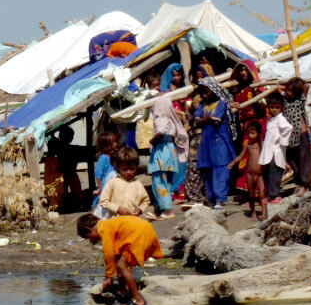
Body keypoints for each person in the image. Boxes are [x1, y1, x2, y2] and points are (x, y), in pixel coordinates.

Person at [77, 213, 163, 305]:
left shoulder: (104, 229)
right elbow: (116, 254)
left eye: (89, 238)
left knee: (121, 265)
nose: (91, 241)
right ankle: (122, 290)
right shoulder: (109, 224)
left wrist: (109, 276)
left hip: (138, 233)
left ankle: (138, 300)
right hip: (145, 229)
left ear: (89, 230)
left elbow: (109, 254)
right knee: (122, 263)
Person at [149, 68, 189, 219]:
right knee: (164, 180)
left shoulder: (161, 118)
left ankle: (167, 210)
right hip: (170, 151)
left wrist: (152, 140)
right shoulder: (172, 119)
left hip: (161, 152)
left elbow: (159, 132)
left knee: (159, 182)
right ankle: (158, 210)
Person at [194, 77, 236, 210]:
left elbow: (216, 121)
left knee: (221, 168)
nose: (205, 94)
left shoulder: (221, 104)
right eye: (202, 92)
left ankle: (220, 198)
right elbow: (196, 120)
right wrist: (207, 119)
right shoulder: (202, 105)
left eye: (207, 91)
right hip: (207, 141)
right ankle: (211, 197)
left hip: (219, 139)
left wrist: (204, 119)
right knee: (208, 169)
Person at [98, 147, 153, 218]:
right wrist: (118, 209)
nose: (129, 172)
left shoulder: (137, 184)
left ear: (137, 167)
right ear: (117, 168)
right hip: (116, 220)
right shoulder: (113, 183)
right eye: (124, 169)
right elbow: (103, 201)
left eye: (132, 169)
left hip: (133, 220)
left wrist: (140, 210)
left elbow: (145, 201)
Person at [229, 121, 267, 220]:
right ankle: (253, 212)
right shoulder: (248, 146)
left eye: (253, 133)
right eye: (249, 133)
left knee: (262, 194)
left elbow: (269, 154)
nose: (250, 135)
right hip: (250, 174)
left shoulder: (262, 145)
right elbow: (240, 156)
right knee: (251, 195)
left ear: (259, 133)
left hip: (260, 175)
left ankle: (264, 213)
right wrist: (233, 163)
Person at [260, 93, 293, 203]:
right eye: (272, 107)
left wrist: (282, 140)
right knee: (268, 172)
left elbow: (288, 128)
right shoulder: (270, 119)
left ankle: (274, 195)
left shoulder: (280, 119)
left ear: (281, 108)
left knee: (275, 172)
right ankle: (270, 195)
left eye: (277, 107)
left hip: (276, 150)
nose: (274, 110)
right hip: (269, 149)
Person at [283, 78, 311, 195]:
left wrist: (296, 82)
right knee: (294, 161)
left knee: (304, 161)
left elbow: (306, 85)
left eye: (291, 91)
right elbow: (278, 88)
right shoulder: (285, 100)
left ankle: (306, 185)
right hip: (290, 136)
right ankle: (299, 183)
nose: (288, 93)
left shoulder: (300, 99)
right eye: (287, 90)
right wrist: (286, 86)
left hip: (301, 134)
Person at [90, 129, 120, 218]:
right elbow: (98, 174)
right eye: (114, 142)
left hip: (113, 183)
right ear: (107, 145)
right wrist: (99, 187)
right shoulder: (103, 158)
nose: (116, 144)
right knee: (105, 201)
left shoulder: (113, 156)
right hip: (106, 184)